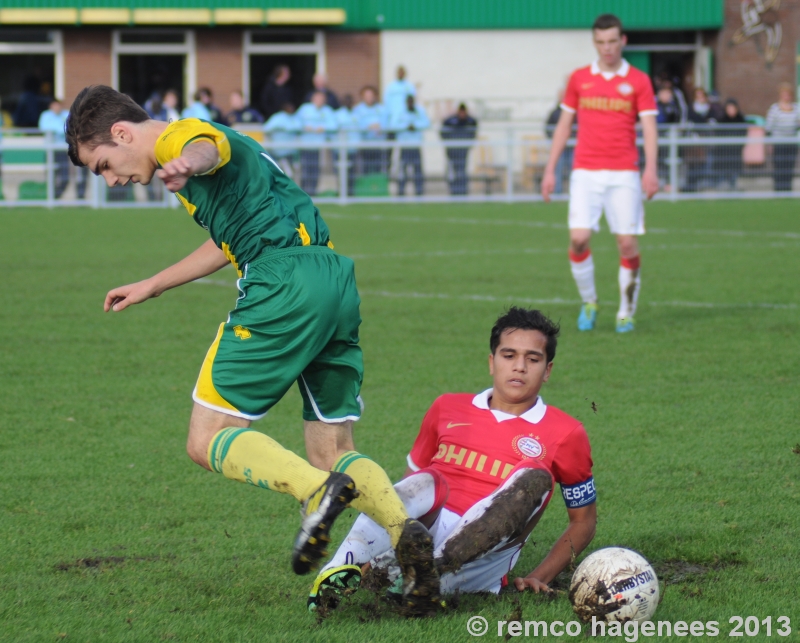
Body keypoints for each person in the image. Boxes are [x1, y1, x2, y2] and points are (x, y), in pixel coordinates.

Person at [64, 85, 441, 613]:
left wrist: (185, 163)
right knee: (333, 446)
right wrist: (153, 283)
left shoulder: (180, 140)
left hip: (281, 283)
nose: (110, 178)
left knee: (207, 440)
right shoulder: (217, 160)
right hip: (333, 280)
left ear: (122, 133)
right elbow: (227, 238)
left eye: (103, 163)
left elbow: (204, 145)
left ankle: (316, 494)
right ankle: (406, 534)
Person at [308, 307, 596, 610]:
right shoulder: (447, 407)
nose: (519, 367)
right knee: (426, 481)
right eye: (509, 355)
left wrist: (541, 575)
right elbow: (407, 492)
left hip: (484, 554)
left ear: (548, 370)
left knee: (533, 477)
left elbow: (584, 521)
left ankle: (423, 576)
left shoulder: (566, 432)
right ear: (492, 362)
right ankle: (346, 569)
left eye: (532, 359)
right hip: (422, 536)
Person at [541, 14, 659, 334]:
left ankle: (625, 311)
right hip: (586, 172)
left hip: (624, 173)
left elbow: (649, 126)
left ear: (623, 42)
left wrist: (651, 169)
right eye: (601, 42)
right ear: (595, 43)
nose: (607, 48)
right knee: (578, 240)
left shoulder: (639, 80)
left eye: (612, 41)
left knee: (627, 244)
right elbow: (564, 125)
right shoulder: (579, 78)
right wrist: (550, 169)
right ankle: (590, 301)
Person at [38, 99, 87, 199]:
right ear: (50, 106)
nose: (57, 108)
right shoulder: (46, 115)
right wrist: (60, 129)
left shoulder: (66, 114)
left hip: (65, 150)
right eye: (54, 105)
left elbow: (71, 127)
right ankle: (50, 198)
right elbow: (44, 127)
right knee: (51, 176)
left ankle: (56, 197)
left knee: (66, 176)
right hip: (51, 151)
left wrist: (58, 129)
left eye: (58, 105)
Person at [296, 91, 338, 196]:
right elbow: (296, 122)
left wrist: (323, 128)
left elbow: (334, 125)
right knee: (305, 169)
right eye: (317, 98)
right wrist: (304, 127)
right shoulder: (305, 109)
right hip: (305, 145)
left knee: (315, 170)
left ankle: (313, 191)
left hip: (319, 146)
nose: (319, 101)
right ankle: (303, 191)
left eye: (322, 99)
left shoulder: (327, 111)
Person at [390, 95, 430, 196]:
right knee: (402, 172)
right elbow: (393, 124)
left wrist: (415, 126)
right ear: (406, 102)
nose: (410, 103)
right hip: (405, 147)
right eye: (409, 102)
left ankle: (419, 192)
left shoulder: (419, 111)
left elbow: (427, 123)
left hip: (416, 146)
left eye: (412, 101)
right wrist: (406, 126)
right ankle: (401, 192)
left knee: (418, 172)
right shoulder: (400, 112)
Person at [765, 82, 800, 192]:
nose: (786, 96)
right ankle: (778, 190)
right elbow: (768, 127)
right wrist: (769, 143)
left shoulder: (796, 108)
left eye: (788, 94)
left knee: (789, 167)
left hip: (791, 143)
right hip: (778, 142)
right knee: (779, 166)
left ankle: (787, 190)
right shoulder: (775, 108)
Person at [440, 103, 477, 196]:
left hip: (463, 151)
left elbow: (474, 131)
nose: (462, 115)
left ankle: (462, 191)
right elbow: (443, 131)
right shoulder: (450, 120)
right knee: (452, 171)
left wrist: (469, 143)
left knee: (462, 171)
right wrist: (448, 143)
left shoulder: (470, 120)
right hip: (451, 151)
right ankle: (453, 191)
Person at [353, 86, 389, 176]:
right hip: (364, 145)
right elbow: (356, 124)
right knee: (365, 170)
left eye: (371, 95)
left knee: (378, 169)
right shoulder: (358, 110)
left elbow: (386, 123)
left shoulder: (382, 109)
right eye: (366, 96)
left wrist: (380, 127)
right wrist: (368, 127)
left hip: (378, 145)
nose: (369, 98)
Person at [713, 98, 748, 189]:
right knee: (723, 171)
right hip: (723, 152)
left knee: (734, 172)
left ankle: (733, 187)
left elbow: (744, 134)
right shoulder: (721, 120)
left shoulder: (740, 119)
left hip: (735, 151)